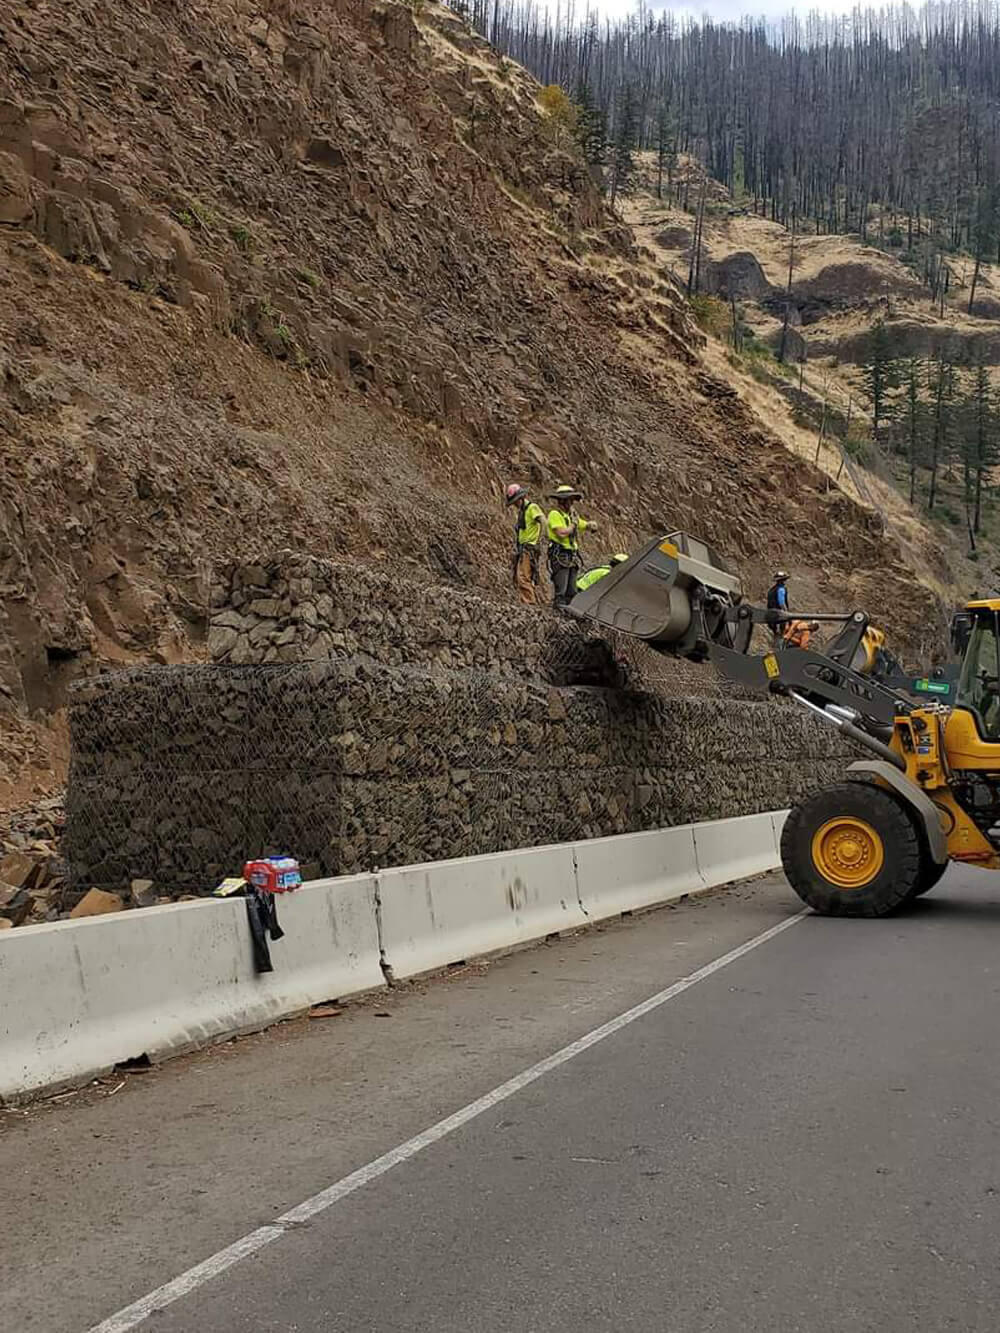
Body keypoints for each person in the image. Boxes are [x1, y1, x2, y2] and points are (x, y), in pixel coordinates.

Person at [546, 485, 597, 608]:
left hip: (571, 556)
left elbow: (582, 524)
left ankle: (568, 613)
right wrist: (574, 525)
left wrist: (590, 525)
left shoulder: (570, 516)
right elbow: (561, 533)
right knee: (561, 589)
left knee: (571, 590)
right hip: (560, 555)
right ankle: (558, 612)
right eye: (570, 500)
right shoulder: (554, 514)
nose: (572, 503)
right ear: (563, 501)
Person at [505, 483, 545, 605]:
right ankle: (526, 601)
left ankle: (529, 603)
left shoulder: (532, 508)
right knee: (521, 576)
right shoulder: (522, 512)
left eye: (516, 501)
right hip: (523, 548)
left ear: (522, 498)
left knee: (522, 576)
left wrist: (538, 540)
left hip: (529, 547)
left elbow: (543, 521)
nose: (516, 505)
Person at [766, 569, 790, 639]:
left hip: (770, 612)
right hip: (778, 613)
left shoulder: (772, 589)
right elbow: (781, 602)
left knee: (775, 632)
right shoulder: (781, 589)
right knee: (781, 633)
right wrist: (786, 612)